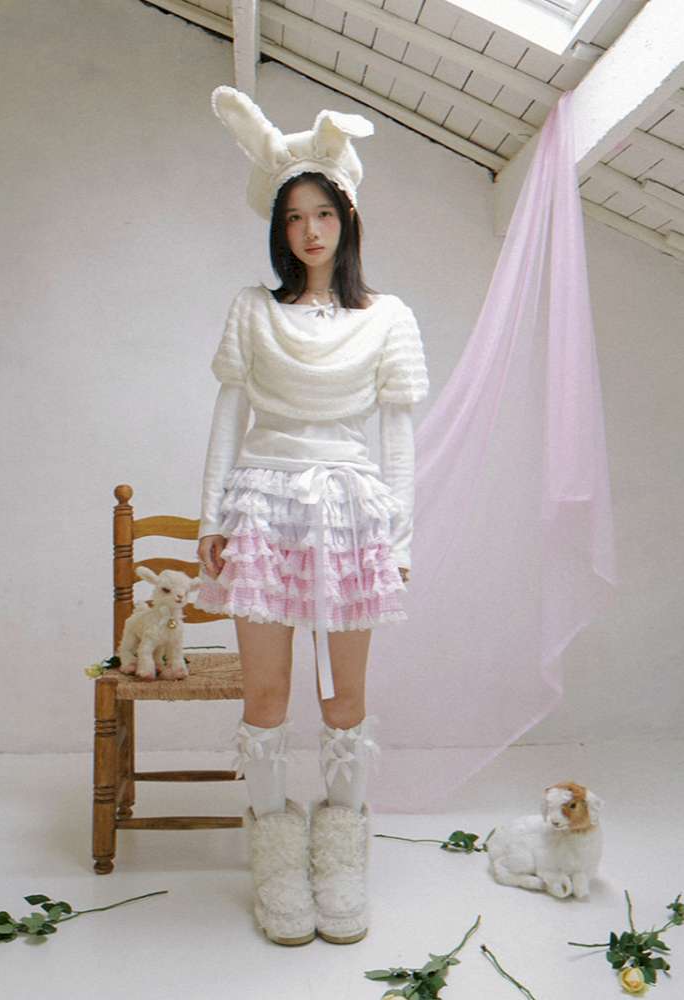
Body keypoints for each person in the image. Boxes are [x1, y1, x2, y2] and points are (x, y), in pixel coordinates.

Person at [194, 86, 430, 948]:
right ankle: (274, 863)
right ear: (278, 228)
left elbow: (396, 433)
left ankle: (340, 860)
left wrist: (398, 539)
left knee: (344, 697)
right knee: (266, 694)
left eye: (323, 213)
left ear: (347, 217)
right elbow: (228, 415)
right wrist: (211, 518)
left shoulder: (388, 317)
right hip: (264, 506)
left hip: (349, 513)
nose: (310, 231)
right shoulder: (252, 310)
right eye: (293, 217)